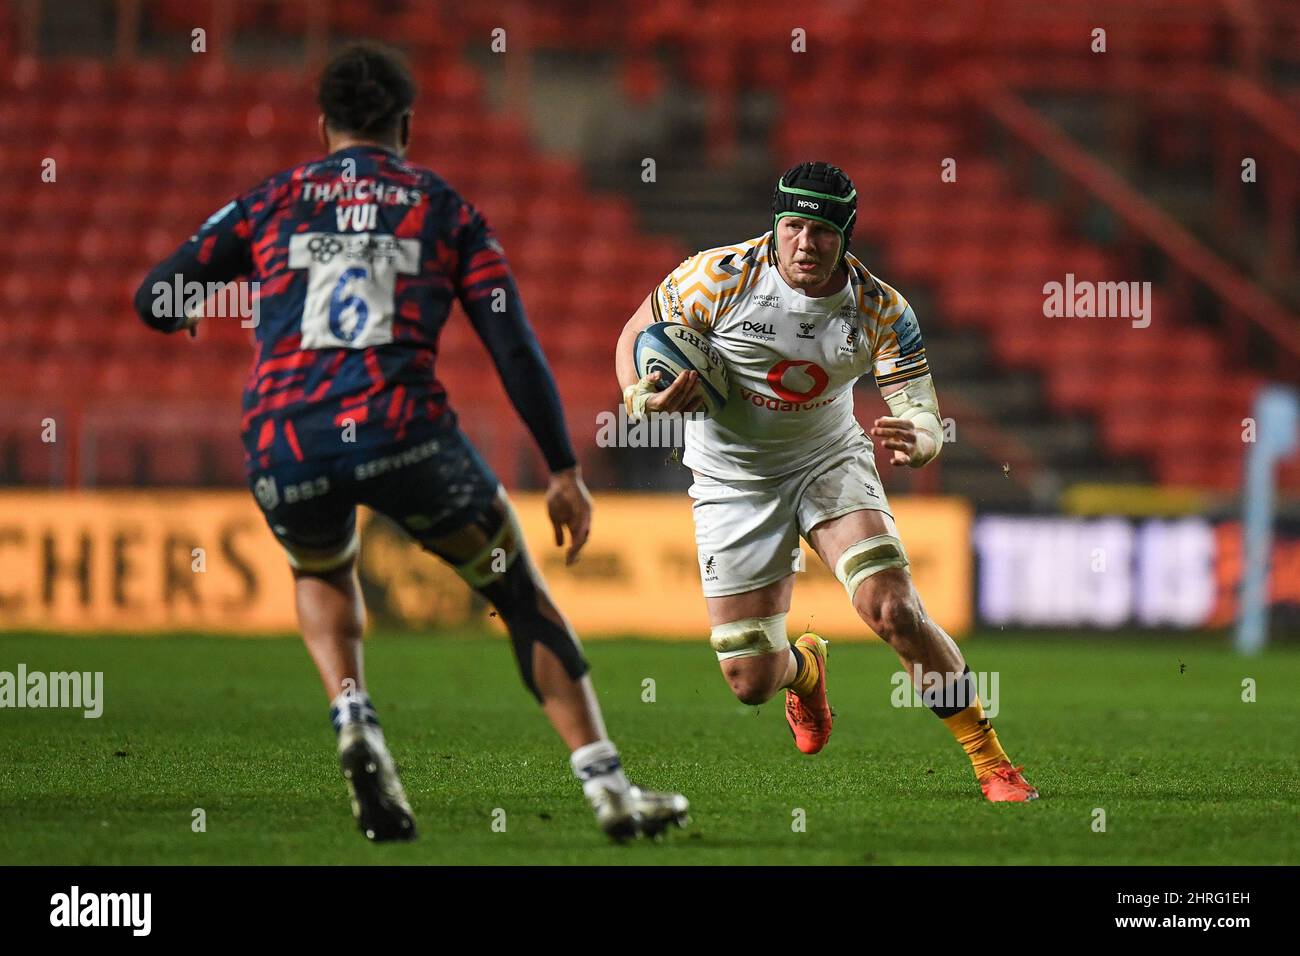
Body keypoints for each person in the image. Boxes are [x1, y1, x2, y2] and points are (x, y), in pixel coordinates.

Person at [134, 42, 688, 841]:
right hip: (405, 436)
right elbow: (514, 346)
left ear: (322, 123)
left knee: (320, 569)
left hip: (288, 441)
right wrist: (564, 468)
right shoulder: (442, 207)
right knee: (516, 597)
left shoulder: (273, 199)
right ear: (406, 125)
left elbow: (154, 296)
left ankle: (353, 716)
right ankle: (608, 789)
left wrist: (185, 308)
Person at [615, 161, 1038, 802]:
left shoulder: (880, 308)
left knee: (893, 609)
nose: (805, 244)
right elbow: (633, 333)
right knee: (749, 679)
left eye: (822, 232)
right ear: (775, 226)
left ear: (846, 237)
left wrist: (921, 440)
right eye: (793, 227)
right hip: (733, 477)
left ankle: (991, 760)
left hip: (827, 459)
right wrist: (636, 392)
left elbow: (920, 412)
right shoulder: (715, 278)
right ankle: (804, 670)